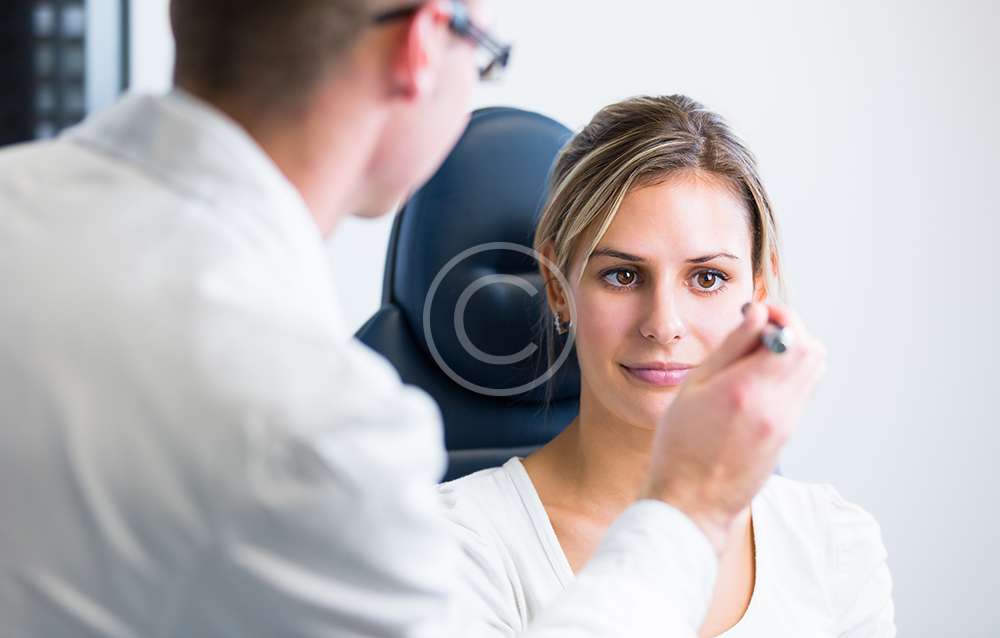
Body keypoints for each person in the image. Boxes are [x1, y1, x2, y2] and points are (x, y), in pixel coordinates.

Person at [0, 2, 825, 636]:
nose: (666, 321)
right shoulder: (318, 430)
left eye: (709, 277)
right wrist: (690, 508)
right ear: (424, 44)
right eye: (485, 53)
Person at [439, 95, 895, 637]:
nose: (664, 324)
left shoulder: (835, 542)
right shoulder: (454, 547)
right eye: (622, 276)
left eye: (707, 278)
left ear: (759, 289)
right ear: (559, 289)